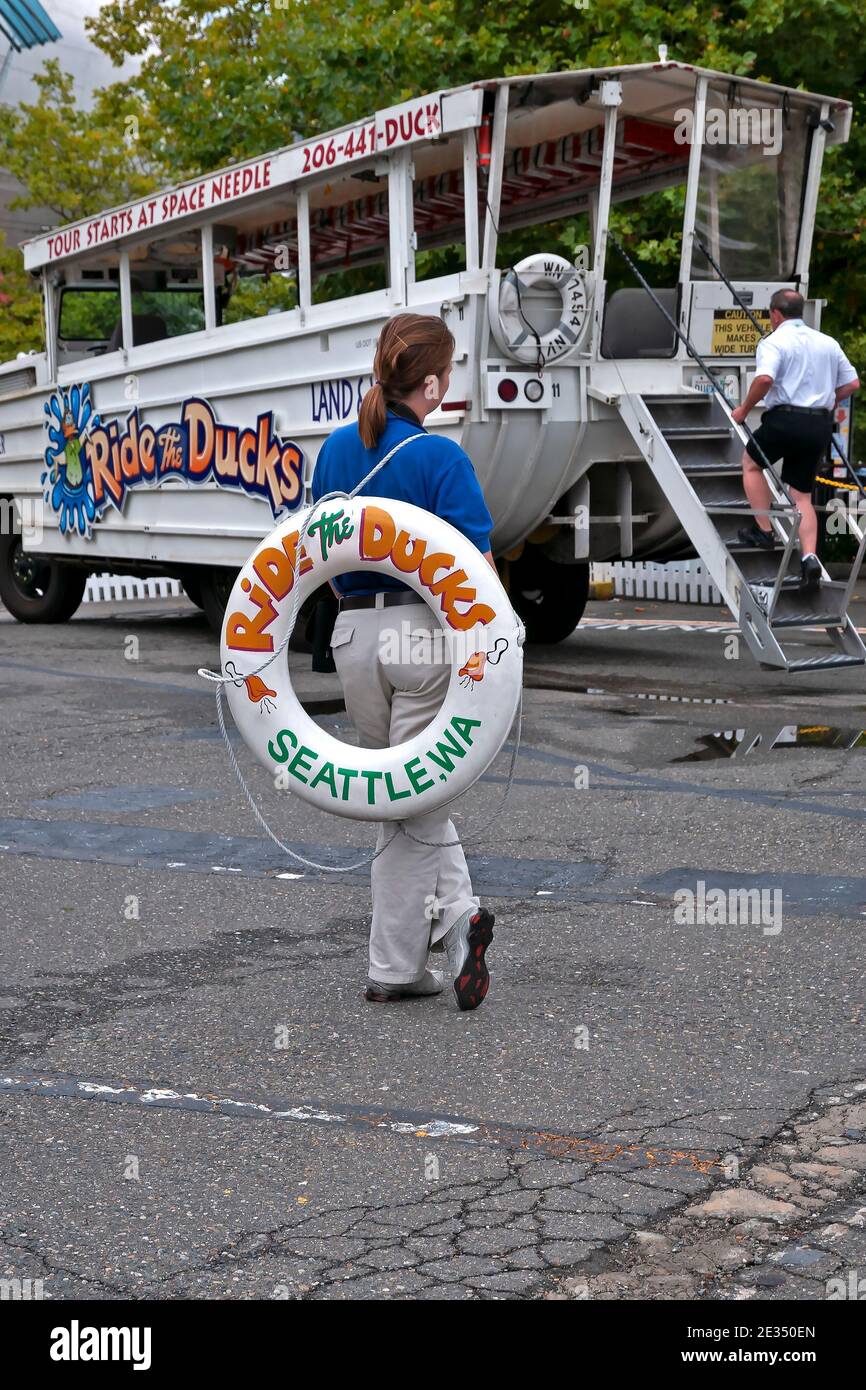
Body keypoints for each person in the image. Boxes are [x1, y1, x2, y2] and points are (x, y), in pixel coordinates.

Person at [311, 313, 496, 1011]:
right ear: (430, 382)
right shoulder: (440, 459)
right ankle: (437, 933)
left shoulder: (331, 452)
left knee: (405, 793)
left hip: (352, 636)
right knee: (411, 796)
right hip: (421, 635)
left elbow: (321, 566)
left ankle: (415, 954)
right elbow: (475, 569)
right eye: (449, 372)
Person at [732, 289, 859, 592]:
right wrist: (828, 400)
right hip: (819, 423)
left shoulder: (773, 342)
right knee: (801, 495)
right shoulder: (827, 342)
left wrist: (744, 410)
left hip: (785, 419)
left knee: (751, 464)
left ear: (775, 314)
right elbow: (852, 383)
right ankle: (810, 558)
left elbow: (764, 379)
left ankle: (764, 530)